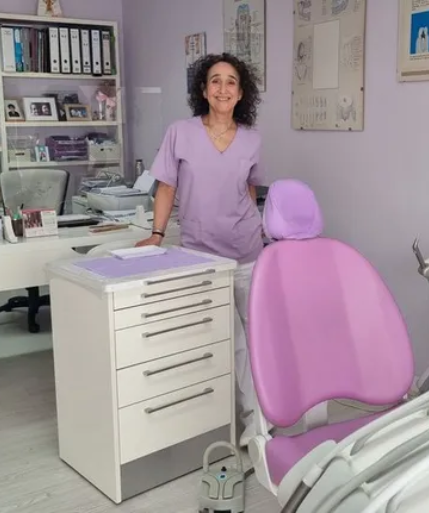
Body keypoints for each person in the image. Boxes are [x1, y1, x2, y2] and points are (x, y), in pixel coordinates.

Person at [135, 52, 266, 446]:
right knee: (218, 338)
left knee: (255, 340)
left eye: (231, 82)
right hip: (200, 255)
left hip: (246, 251)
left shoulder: (252, 139)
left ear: (241, 93)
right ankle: (212, 418)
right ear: (204, 91)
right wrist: (157, 234)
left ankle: (257, 424)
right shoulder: (181, 132)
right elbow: (167, 186)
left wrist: (260, 230)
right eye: (215, 81)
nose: (223, 88)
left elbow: (250, 189)